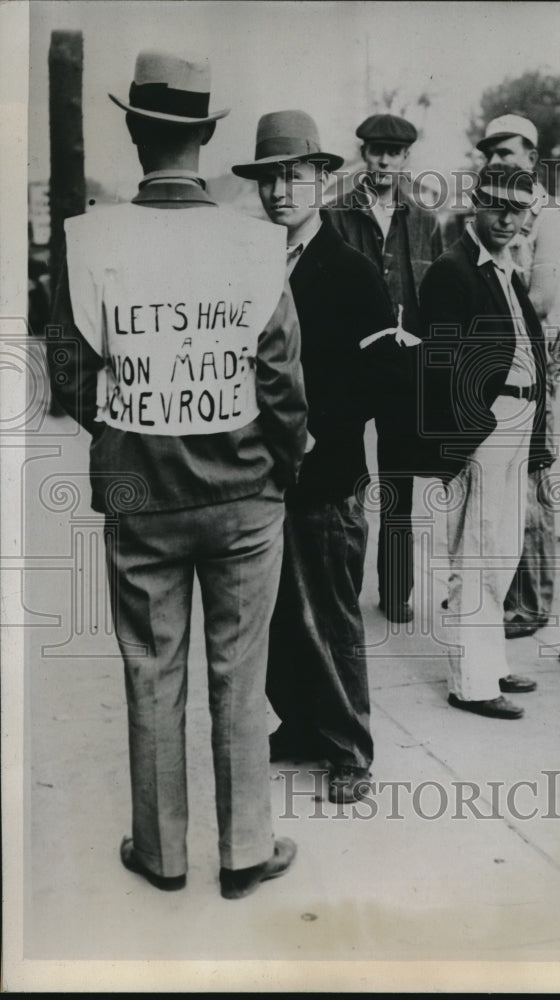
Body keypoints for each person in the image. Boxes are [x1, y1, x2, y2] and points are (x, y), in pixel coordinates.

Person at [48, 51, 308, 899]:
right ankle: (243, 852)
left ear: (132, 131)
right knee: (241, 674)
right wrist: (277, 463)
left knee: (151, 669)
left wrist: (136, 429)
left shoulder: (86, 239)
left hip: (138, 486)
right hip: (242, 495)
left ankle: (161, 854)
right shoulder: (257, 243)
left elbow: (72, 378)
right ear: (205, 135)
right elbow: (282, 384)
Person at [232, 111, 397, 803]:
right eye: (269, 180)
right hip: (260, 477)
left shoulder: (353, 271)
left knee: (329, 615)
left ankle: (350, 747)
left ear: (325, 182)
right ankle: (298, 725)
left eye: (294, 177)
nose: (279, 193)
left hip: (327, 476)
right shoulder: (244, 266)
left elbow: (380, 379)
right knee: (272, 616)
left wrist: (314, 433)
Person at [419, 167, 553, 720]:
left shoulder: (505, 269)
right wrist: (468, 441)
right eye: (497, 206)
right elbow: (441, 368)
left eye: (519, 211)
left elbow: (530, 346)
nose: (508, 220)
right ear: (475, 204)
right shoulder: (453, 271)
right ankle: (471, 683)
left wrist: (535, 437)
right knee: (473, 556)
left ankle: (489, 663)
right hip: (485, 428)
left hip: (516, 420)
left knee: (500, 553)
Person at [329, 113, 443, 624]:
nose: (383, 161)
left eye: (393, 153)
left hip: (403, 368)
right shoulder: (334, 216)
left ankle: (396, 589)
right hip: (350, 366)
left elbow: (435, 299)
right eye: (375, 150)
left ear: (406, 160)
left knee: (399, 485)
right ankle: (342, 585)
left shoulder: (424, 221)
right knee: (346, 479)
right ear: (364, 154)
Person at [475, 114, 560, 639]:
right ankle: (511, 594)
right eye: (490, 153)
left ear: (532, 160)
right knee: (503, 485)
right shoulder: (499, 212)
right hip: (502, 365)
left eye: (507, 152)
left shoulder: (550, 219)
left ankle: (532, 604)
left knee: (532, 482)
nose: (496, 160)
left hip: (536, 365)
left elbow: (540, 301)